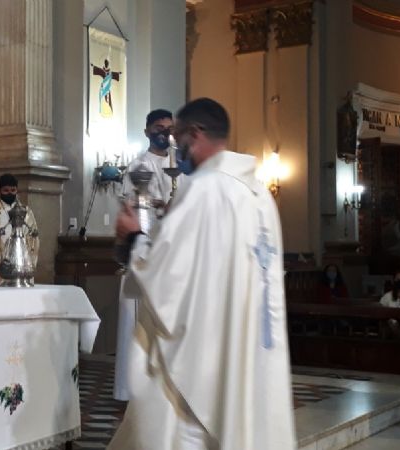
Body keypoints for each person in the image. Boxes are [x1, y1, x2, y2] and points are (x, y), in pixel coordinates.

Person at [110, 98, 295, 450]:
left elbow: (167, 275)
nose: (174, 147)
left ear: (195, 134)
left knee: (186, 429)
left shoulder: (205, 188)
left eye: (177, 136)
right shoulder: (259, 195)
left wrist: (132, 236)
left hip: (205, 352)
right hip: (251, 343)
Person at [114, 108, 176, 401]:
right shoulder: (138, 165)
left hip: (172, 253)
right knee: (136, 320)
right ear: (148, 130)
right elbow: (131, 205)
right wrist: (157, 205)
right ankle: (130, 389)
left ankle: (167, 386)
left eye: (169, 128)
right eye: (159, 128)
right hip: (144, 247)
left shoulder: (181, 164)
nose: (165, 133)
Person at [0, 173, 38, 282]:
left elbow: (33, 237)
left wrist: (28, 260)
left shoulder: (26, 212)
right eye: (6, 190)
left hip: (22, 263)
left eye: (13, 190)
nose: (10, 193)